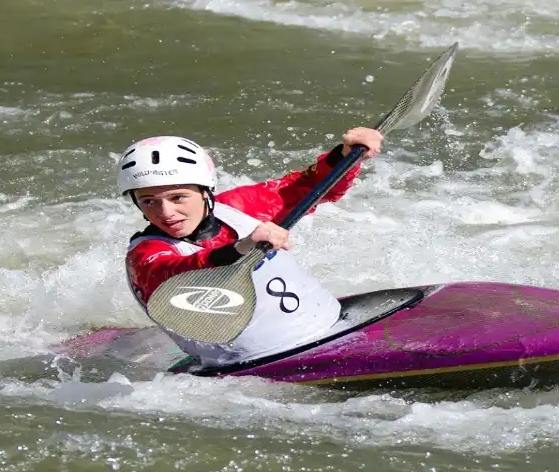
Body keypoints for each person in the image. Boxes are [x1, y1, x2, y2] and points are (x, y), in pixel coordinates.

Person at [117, 128, 383, 367]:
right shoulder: (145, 254)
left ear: (205, 191)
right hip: (249, 365)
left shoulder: (239, 207)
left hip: (332, 324)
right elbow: (176, 272)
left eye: (178, 197)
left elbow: (308, 186)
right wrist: (241, 247)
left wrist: (346, 155)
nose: (166, 213)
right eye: (149, 201)